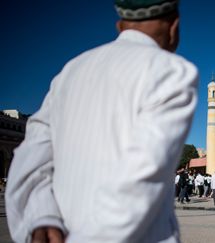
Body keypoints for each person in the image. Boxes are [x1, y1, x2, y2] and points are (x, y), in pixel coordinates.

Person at [5, 1, 198, 242]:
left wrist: (41, 218)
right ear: (174, 27)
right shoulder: (171, 72)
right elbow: (140, 180)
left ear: (120, 26)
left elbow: (30, 160)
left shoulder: (71, 71)